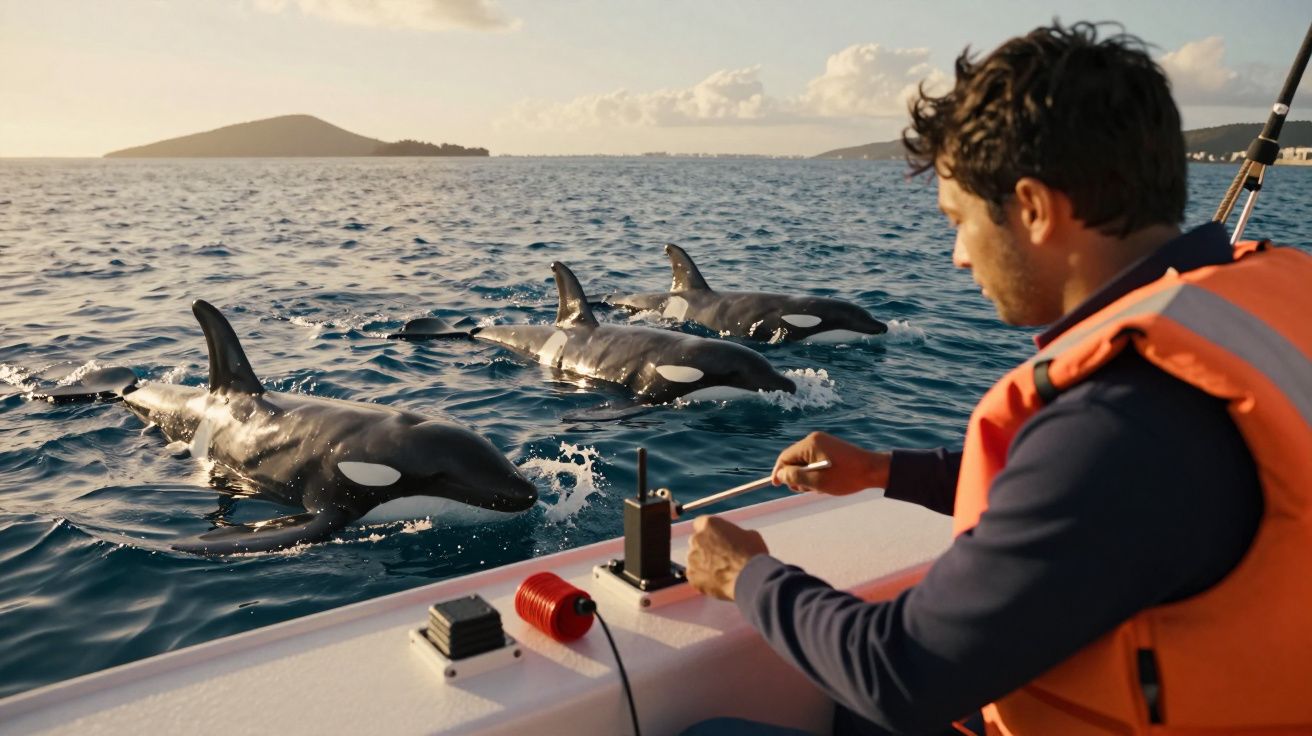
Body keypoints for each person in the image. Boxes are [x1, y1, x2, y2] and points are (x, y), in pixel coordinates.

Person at [683, 20, 1312, 736]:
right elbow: (1085, 509)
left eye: (960, 220)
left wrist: (747, 575)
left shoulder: (1124, 417)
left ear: (1036, 210)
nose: (957, 256)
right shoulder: (1254, 311)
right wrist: (884, 470)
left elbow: (899, 674)